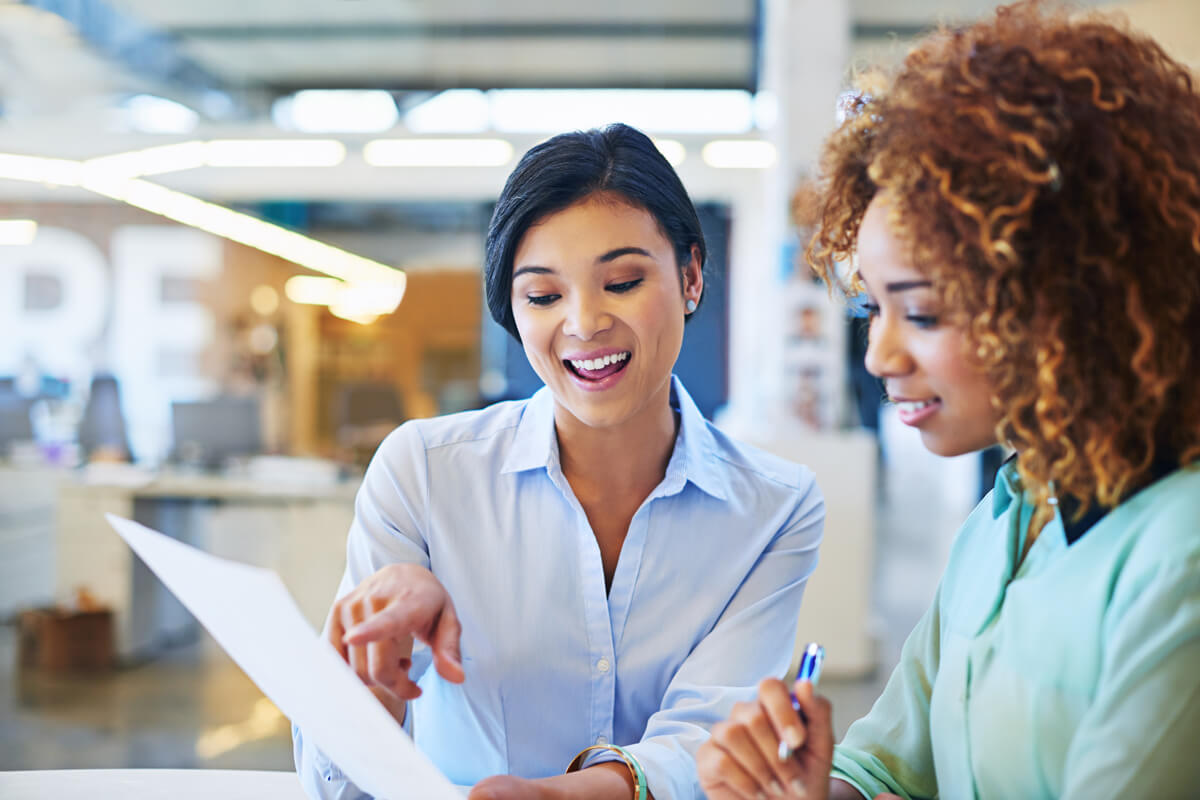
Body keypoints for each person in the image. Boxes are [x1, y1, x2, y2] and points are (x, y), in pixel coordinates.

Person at [696, 2, 1200, 798]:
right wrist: (805, 787)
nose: (880, 355)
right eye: (873, 308)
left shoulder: (1179, 557)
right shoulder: (1005, 520)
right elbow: (889, 771)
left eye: (924, 312)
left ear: (1067, 298)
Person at [293, 123, 826, 800]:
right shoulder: (423, 474)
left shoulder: (775, 507)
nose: (584, 322)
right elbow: (330, 783)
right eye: (543, 296)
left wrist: (553, 796)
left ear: (691, 275)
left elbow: (712, 740)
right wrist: (369, 682)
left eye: (623, 280)